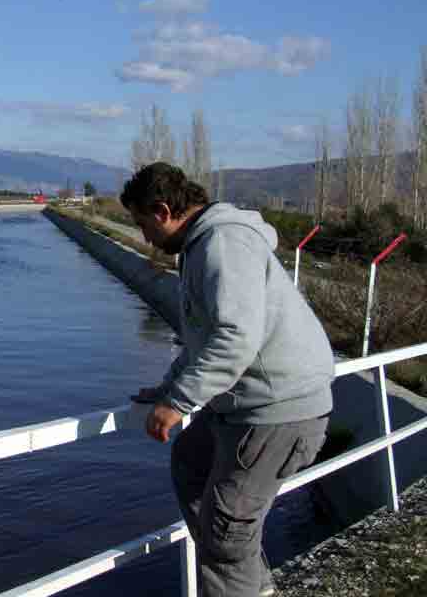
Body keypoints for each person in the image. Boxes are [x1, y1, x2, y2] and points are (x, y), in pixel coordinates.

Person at [121, 162, 334, 597]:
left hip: (277, 410)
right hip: (248, 404)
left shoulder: (223, 243)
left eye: (143, 225)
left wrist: (177, 403)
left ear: (162, 210)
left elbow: (235, 338)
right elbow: (205, 340)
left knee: (225, 537)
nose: (144, 238)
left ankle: (239, 581)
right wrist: (168, 389)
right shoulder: (204, 245)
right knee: (190, 466)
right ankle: (253, 587)